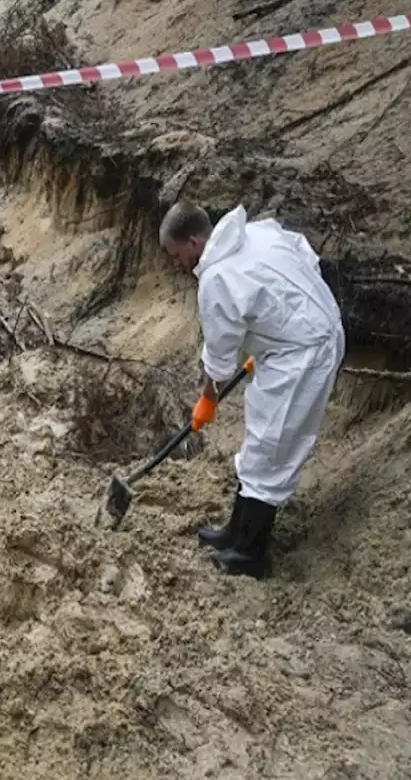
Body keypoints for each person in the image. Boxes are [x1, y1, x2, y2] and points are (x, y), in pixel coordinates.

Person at [159, 201, 344, 579]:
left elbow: (220, 355)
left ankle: (251, 554)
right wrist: (279, 328)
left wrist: (208, 397)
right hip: (301, 338)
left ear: (194, 242)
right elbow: (305, 258)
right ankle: (234, 532)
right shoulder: (257, 232)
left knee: (269, 448)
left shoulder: (217, 278)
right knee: (258, 442)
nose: (176, 263)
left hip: (304, 355)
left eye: (175, 254)